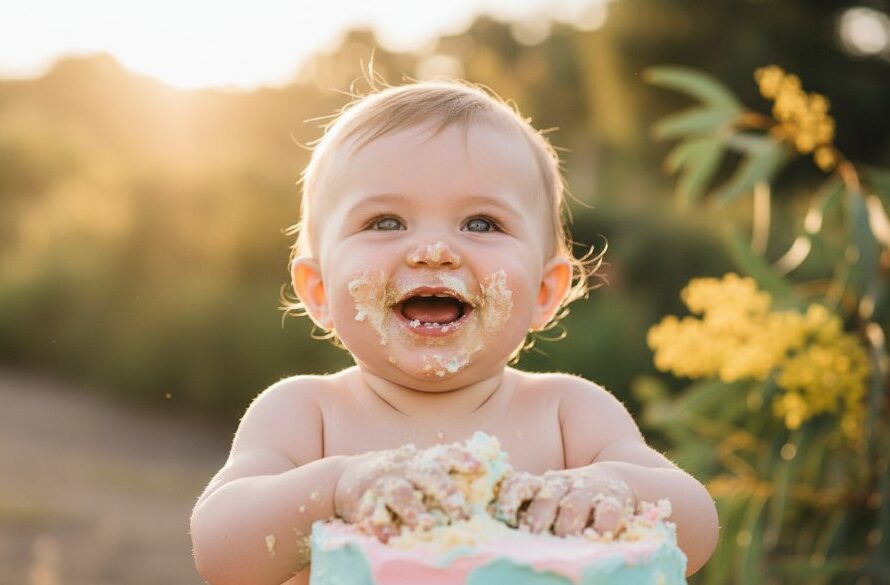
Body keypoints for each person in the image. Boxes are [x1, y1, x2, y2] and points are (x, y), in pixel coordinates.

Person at [189, 80, 719, 585]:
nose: (434, 250)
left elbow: (697, 525)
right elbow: (219, 551)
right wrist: (332, 490)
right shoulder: (306, 415)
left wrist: (618, 488)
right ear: (320, 289)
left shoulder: (568, 415)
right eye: (386, 222)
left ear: (543, 290)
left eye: (481, 224)